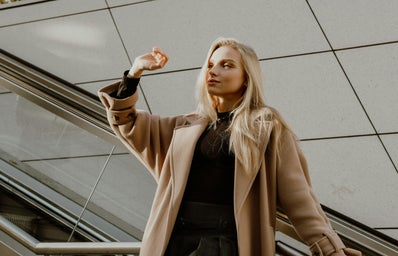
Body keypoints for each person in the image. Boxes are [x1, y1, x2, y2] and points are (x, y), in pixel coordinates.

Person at [98, 37, 361, 256]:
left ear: (246, 78)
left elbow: (300, 199)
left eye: (226, 65)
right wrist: (134, 73)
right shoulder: (184, 126)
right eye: (210, 65)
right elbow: (127, 123)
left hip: (226, 244)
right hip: (173, 241)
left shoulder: (267, 128)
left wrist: (329, 249)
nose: (213, 71)